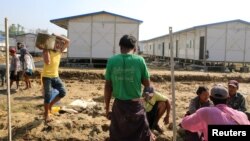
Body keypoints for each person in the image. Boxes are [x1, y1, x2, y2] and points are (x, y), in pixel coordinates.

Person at [104, 34, 155, 141]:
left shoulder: (112, 61)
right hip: (135, 106)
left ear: (120, 47)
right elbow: (147, 84)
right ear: (135, 49)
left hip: (119, 106)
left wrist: (107, 108)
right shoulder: (139, 60)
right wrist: (147, 96)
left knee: (118, 135)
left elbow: (108, 87)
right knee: (140, 136)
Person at [181, 84, 250, 141]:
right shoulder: (242, 115)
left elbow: (184, 124)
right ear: (228, 98)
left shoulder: (206, 111)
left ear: (210, 97)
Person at [39, 34, 69, 123]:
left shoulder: (60, 51)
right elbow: (47, 62)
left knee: (63, 92)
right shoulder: (47, 51)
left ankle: (50, 106)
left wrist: (56, 35)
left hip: (56, 77)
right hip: (47, 77)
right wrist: (46, 50)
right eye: (57, 42)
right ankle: (46, 115)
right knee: (47, 96)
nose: (59, 45)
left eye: (61, 43)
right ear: (52, 43)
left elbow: (68, 41)